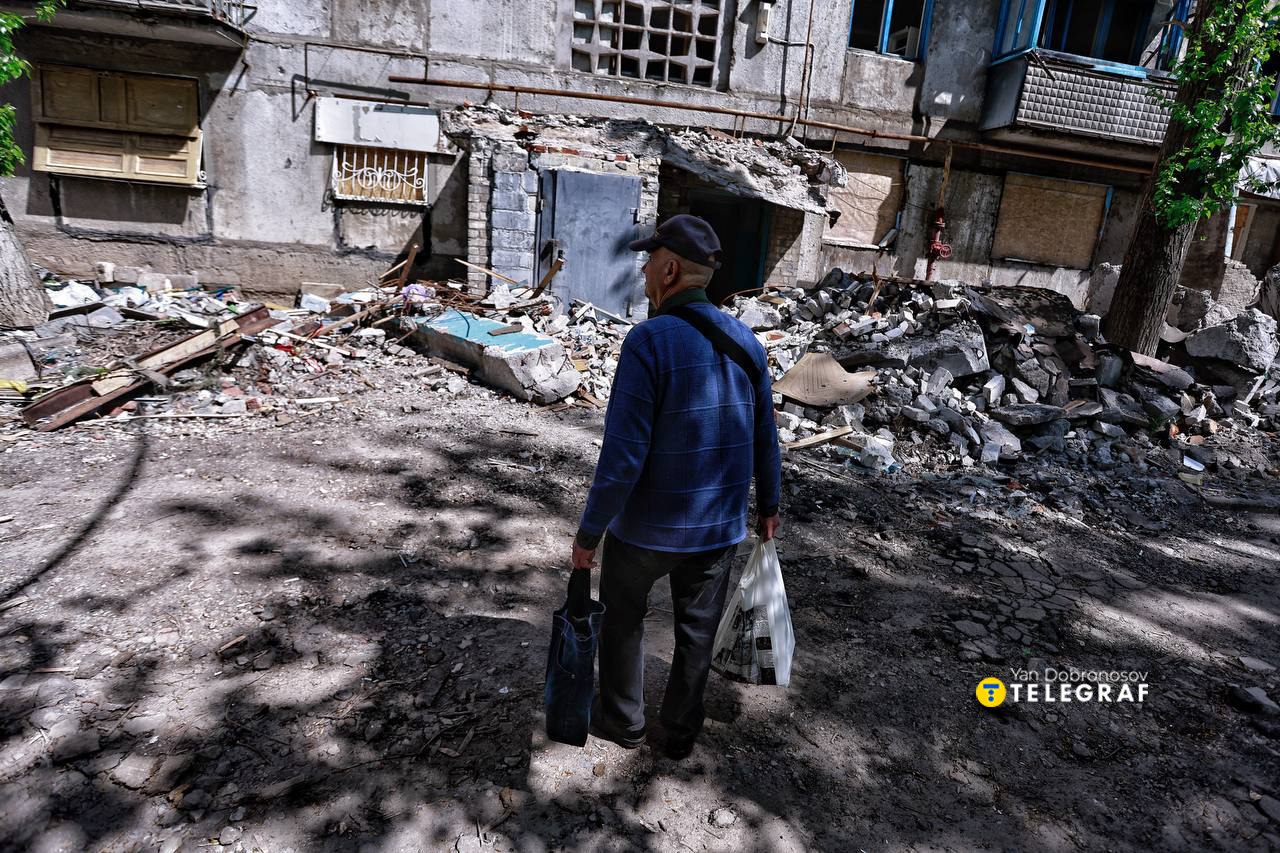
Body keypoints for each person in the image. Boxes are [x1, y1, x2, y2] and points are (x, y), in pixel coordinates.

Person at [570, 214, 782, 761]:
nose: (642, 271)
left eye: (649, 261)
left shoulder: (647, 342)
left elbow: (622, 457)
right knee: (697, 631)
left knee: (622, 620)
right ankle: (681, 734)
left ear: (668, 272)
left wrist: (589, 534)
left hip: (645, 530)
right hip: (718, 529)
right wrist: (769, 505)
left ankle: (624, 721)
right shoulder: (748, 343)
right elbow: (766, 435)